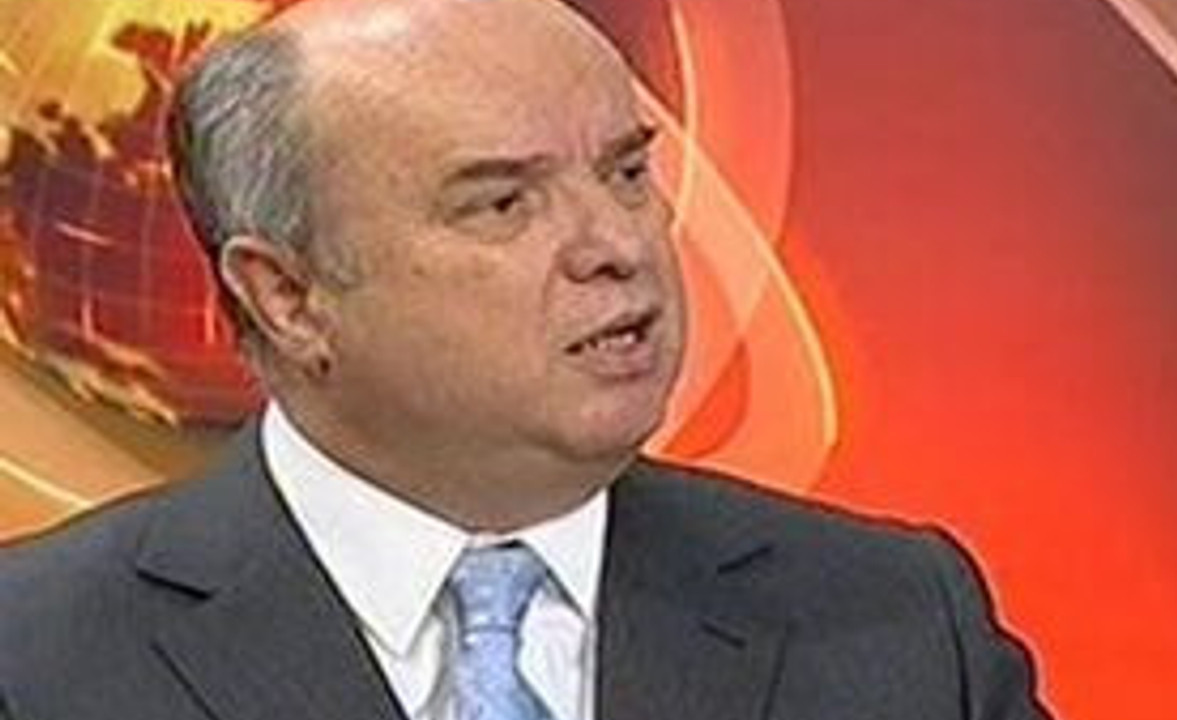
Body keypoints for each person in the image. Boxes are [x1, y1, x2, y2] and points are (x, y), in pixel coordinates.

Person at [0, 0, 1054, 718]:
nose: (616, 244)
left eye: (625, 173)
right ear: (289, 297)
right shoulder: (34, 659)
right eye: (503, 202)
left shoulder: (896, 623)